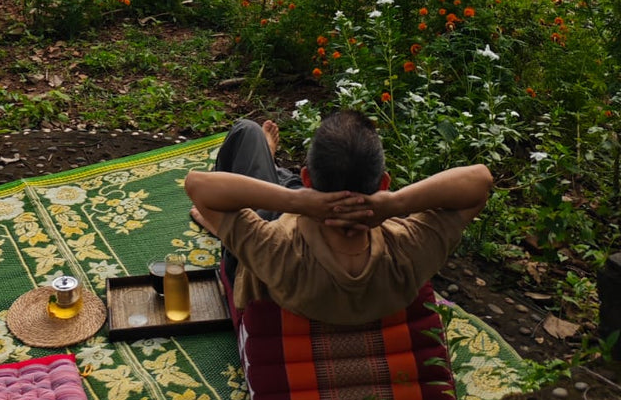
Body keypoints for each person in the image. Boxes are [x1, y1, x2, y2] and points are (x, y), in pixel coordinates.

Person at [185, 112, 493, 326]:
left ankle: (268, 171)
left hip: (280, 237)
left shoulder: (276, 247)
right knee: (281, 179)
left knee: (248, 133)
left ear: (310, 179)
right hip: (309, 223)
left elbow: (197, 186)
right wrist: (395, 203)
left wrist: (298, 202)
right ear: (384, 184)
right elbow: (480, 181)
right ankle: (277, 172)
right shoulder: (409, 248)